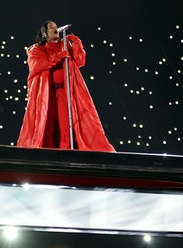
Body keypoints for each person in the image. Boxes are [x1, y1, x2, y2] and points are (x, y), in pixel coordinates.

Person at [16, 20, 115, 151]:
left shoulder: (65, 45)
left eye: (56, 27)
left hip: (66, 93)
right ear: (44, 33)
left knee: (66, 124)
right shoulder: (36, 49)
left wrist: (76, 43)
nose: (55, 29)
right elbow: (37, 65)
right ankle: (48, 154)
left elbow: (80, 61)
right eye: (51, 27)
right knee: (47, 125)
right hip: (48, 96)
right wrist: (59, 55)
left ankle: (67, 151)